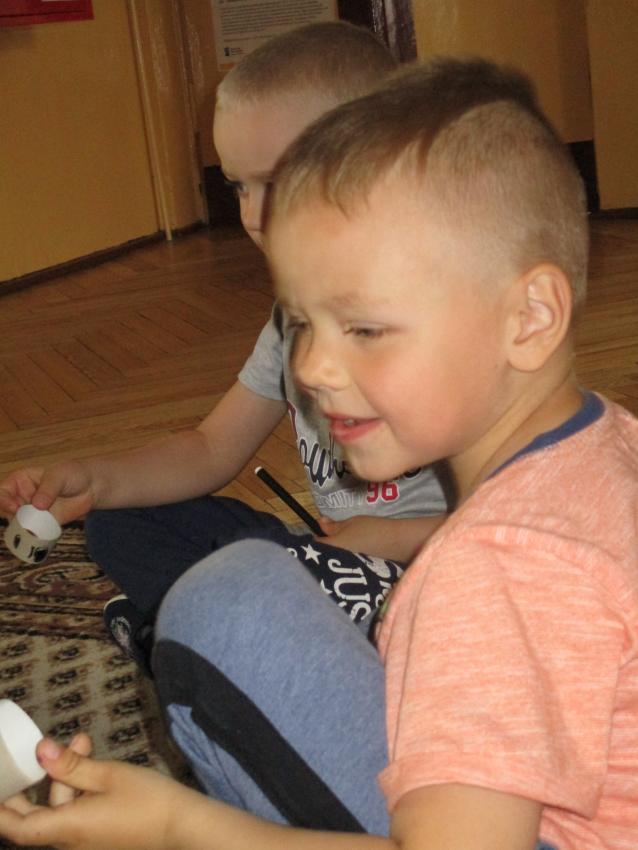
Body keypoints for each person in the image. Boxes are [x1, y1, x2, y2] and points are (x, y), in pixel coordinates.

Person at [3, 54, 637, 850]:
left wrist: (177, 826)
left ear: (531, 317)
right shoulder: (609, 440)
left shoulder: (491, 569)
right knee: (204, 567)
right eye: (302, 325)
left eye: (364, 328)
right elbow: (208, 447)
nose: (310, 368)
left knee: (222, 604)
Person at [0, 22, 447, 671]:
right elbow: (211, 448)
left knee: (284, 579)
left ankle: (205, 629)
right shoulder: (290, 322)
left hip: (439, 568)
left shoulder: (444, 324)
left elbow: (530, 512)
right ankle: (208, 627)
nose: (251, 216)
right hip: (326, 555)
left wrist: (401, 538)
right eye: (239, 186)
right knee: (122, 520)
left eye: (278, 181)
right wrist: (95, 478)